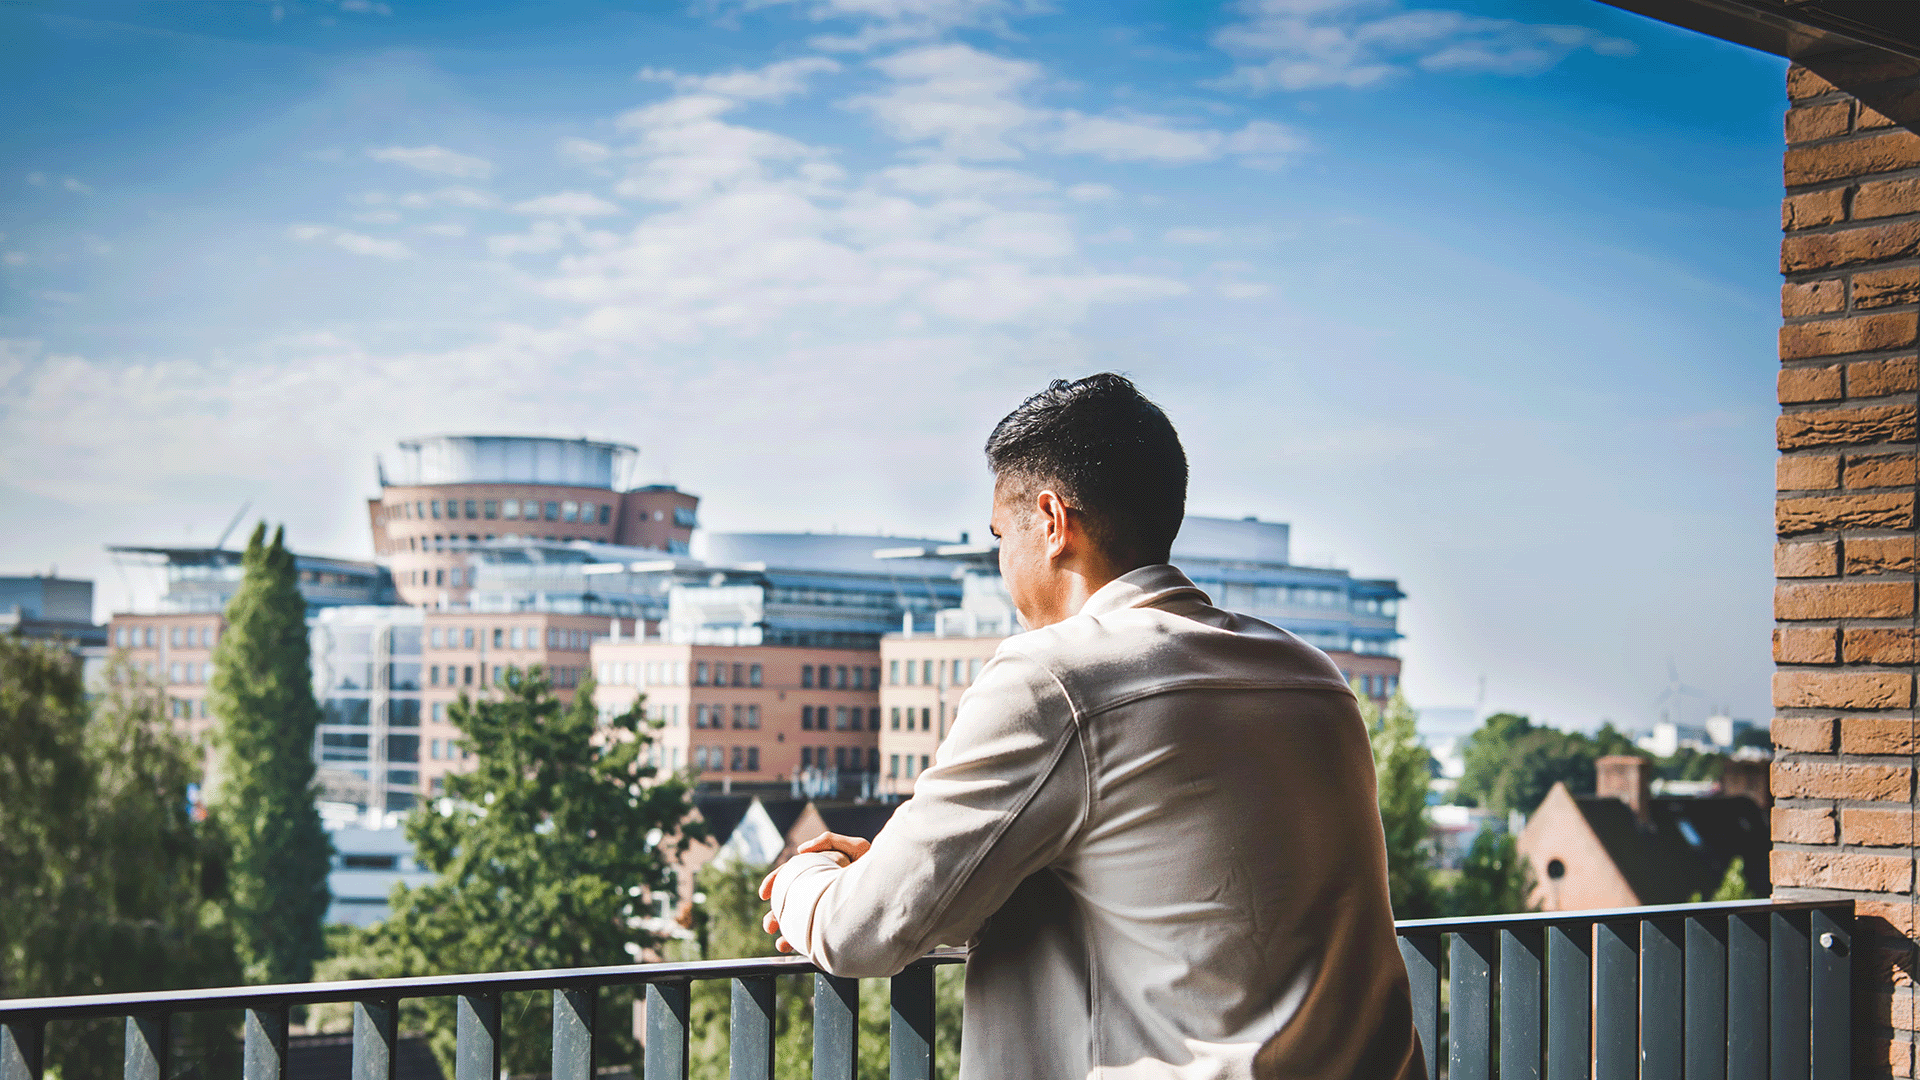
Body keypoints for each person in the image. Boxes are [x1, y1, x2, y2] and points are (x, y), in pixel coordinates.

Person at [758, 373, 1423, 1080]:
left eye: (998, 536)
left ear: (1050, 521)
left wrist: (806, 877)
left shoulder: (1056, 679)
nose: (1001, 568)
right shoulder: (1314, 676)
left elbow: (864, 932)